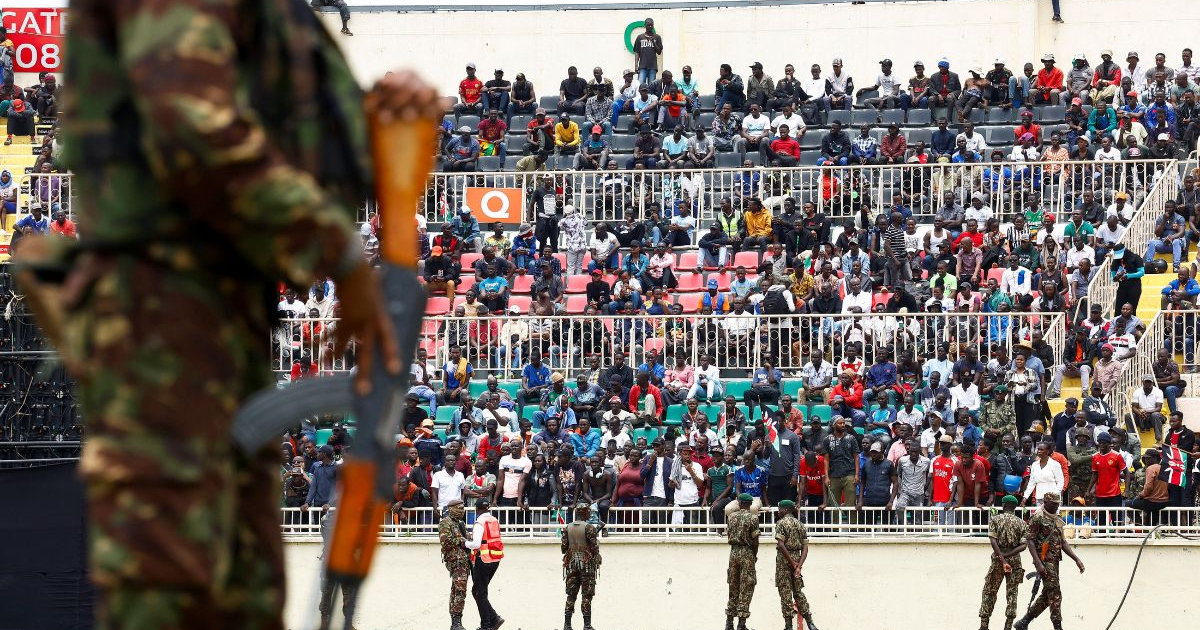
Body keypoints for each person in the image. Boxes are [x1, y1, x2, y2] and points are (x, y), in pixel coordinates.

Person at [36, 10, 434, 630]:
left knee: (242, 602)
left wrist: (370, 115)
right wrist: (342, 250)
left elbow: (259, 121)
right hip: (162, 322)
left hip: (222, 323)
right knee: (171, 597)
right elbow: (188, 125)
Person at [1013, 492, 1086, 630]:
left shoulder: (1057, 519)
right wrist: (1038, 563)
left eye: (1058, 504)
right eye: (1054, 504)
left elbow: (1063, 542)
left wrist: (1076, 559)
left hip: (1054, 561)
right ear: (1045, 502)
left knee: (1048, 595)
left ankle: (1024, 622)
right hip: (1044, 561)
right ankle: (1057, 627)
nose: (1056, 506)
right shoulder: (1038, 517)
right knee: (1055, 594)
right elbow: (1030, 540)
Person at [978, 495, 1028, 630]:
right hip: (1015, 561)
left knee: (989, 591)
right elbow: (1023, 546)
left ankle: (984, 625)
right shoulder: (1022, 523)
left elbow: (993, 540)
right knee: (1012, 593)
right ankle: (1008, 626)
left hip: (997, 560)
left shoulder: (995, 520)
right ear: (1015, 507)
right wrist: (1008, 555)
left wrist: (1001, 557)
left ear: (1004, 506)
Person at [774, 500, 818, 630]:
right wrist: (798, 565)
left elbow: (781, 545)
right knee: (798, 592)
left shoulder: (781, 523)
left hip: (784, 559)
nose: (778, 511)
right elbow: (805, 547)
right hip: (797, 557)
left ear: (786, 510)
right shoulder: (800, 524)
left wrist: (791, 563)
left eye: (780, 509)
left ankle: (788, 626)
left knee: (785, 592)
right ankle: (810, 622)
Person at [465, 498, 504, 630]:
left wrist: (464, 542)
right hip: (495, 560)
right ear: (488, 508)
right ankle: (493, 618)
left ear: (477, 509)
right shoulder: (494, 520)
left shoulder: (479, 522)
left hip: (484, 560)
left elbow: (476, 544)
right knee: (478, 591)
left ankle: (486, 625)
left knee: (479, 593)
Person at [561, 502, 601, 630]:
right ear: (584, 512)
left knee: (571, 595)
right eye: (588, 511)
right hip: (586, 565)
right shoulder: (589, 527)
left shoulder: (568, 527)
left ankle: (567, 625)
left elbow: (563, 548)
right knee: (587, 595)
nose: (589, 513)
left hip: (572, 564)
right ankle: (587, 625)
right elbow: (594, 548)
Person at [724, 493, 760, 630]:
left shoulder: (731, 517)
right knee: (746, 587)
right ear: (750, 504)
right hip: (747, 552)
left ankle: (729, 623)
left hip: (733, 553)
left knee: (733, 587)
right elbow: (755, 541)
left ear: (739, 503)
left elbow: (729, 534)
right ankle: (741, 624)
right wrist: (754, 556)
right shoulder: (753, 518)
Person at [438, 500, 471, 630]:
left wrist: (468, 538)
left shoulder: (460, 523)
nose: (462, 511)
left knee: (457, 590)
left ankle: (455, 621)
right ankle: (456, 621)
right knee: (460, 590)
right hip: (455, 561)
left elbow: (467, 539)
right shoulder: (445, 522)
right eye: (459, 508)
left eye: (463, 508)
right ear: (451, 509)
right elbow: (445, 542)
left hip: (464, 561)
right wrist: (462, 540)